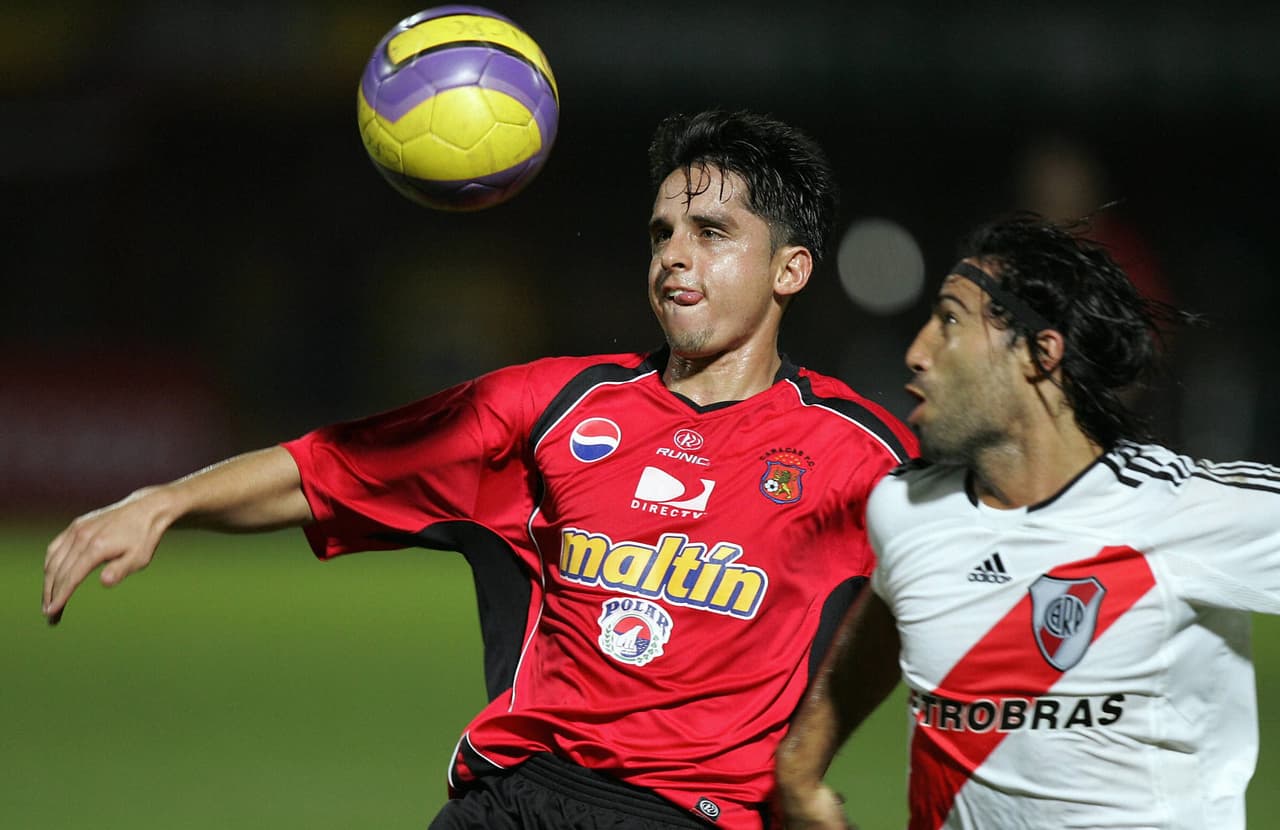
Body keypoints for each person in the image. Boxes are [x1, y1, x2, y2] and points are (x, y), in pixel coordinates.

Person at [43, 109, 917, 830]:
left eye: (711, 232)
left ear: (790, 269)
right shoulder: (552, 406)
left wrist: (810, 767)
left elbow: (969, 585)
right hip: (516, 798)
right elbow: (334, 467)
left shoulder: (861, 453)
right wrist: (165, 502)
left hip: (695, 815)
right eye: (662, 232)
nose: (673, 255)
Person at [775, 211, 1280, 830]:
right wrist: (800, 764)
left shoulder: (1182, 511)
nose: (917, 352)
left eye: (950, 321)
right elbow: (891, 617)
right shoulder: (906, 509)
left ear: (1040, 353)